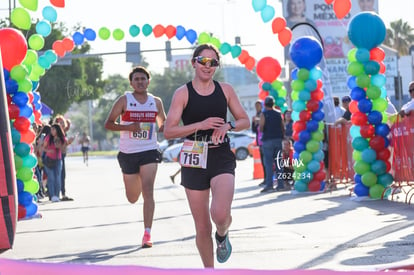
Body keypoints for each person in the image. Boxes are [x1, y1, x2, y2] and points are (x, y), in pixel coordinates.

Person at [163, 44, 250, 267]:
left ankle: (223, 234)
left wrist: (228, 126)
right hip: (194, 157)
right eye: (203, 61)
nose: (207, 66)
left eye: (213, 62)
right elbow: (169, 130)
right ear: (194, 62)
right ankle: (209, 270)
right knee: (202, 227)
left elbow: (244, 121)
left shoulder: (226, 90)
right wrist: (199, 125)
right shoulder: (183, 93)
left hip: (220, 155)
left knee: (220, 215)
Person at [104, 66, 166, 249]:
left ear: (148, 81)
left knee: (148, 190)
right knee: (132, 197)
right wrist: (129, 127)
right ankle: (136, 180)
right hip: (128, 153)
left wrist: (172, 127)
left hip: (149, 150)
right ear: (131, 83)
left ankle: (147, 233)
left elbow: (163, 124)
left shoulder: (156, 102)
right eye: (136, 79)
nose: (140, 82)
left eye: (143, 78)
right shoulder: (124, 100)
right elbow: (108, 123)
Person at [259, 96, 285, 193]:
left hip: (267, 140)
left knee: (268, 164)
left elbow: (261, 127)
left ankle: (269, 185)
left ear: (265, 104)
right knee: (279, 164)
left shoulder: (264, 114)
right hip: (278, 139)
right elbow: (283, 127)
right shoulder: (279, 113)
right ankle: (280, 185)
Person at [42, 123, 67, 202]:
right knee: (51, 178)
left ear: (57, 130)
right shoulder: (48, 138)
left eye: (53, 129)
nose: (52, 131)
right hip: (49, 160)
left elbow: (64, 149)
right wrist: (49, 150)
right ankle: (52, 195)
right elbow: (43, 147)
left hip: (58, 160)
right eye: (51, 129)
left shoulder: (61, 138)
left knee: (58, 178)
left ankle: (57, 195)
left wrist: (63, 145)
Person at [54, 115, 76, 201]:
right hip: (57, 157)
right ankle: (58, 194)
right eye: (60, 122)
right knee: (59, 175)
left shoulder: (63, 132)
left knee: (62, 175)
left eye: (63, 122)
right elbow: (58, 146)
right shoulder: (56, 134)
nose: (62, 124)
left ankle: (62, 193)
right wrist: (68, 142)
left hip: (61, 156)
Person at [251, 100, 266, 187]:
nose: (257, 107)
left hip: (265, 141)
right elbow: (254, 130)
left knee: (266, 162)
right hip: (259, 141)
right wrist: (254, 122)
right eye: (256, 106)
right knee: (263, 162)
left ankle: (268, 179)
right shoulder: (256, 115)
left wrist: (259, 120)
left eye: (258, 105)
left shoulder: (263, 114)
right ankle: (265, 178)